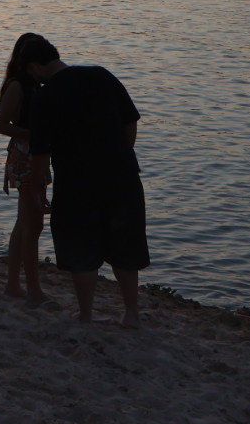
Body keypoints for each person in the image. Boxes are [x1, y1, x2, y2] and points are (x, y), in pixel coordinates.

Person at [24, 38, 149, 327]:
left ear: (34, 67)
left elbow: (40, 153)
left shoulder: (45, 96)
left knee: (81, 249)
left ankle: (86, 313)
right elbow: (130, 122)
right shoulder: (101, 75)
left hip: (75, 182)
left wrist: (39, 188)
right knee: (125, 245)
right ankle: (131, 313)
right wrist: (122, 154)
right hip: (121, 176)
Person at [0, 32, 52, 305]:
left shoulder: (32, 85)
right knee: (32, 225)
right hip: (25, 156)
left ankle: (13, 285)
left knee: (26, 224)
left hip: (33, 154)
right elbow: (1, 125)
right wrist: (35, 135)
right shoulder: (18, 86)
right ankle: (34, 290)